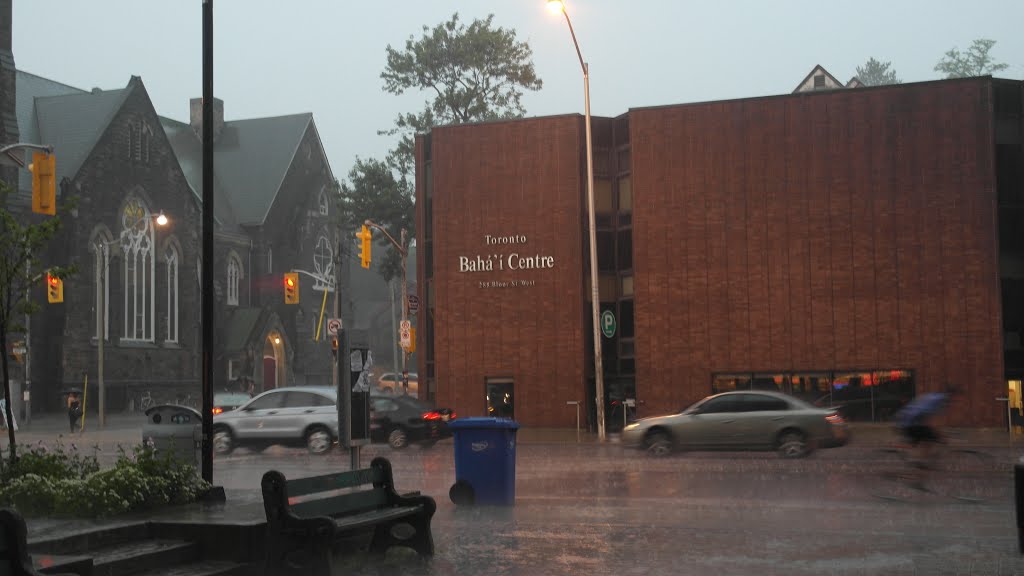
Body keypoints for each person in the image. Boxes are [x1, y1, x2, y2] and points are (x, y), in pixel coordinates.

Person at [895, 385, 958, 485]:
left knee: (928, 442)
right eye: (955, 398)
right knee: (932, 440)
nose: (955, 402)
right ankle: (917, 466)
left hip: (910, 422)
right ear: (951, 395)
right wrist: (941, 435)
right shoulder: (939, 399)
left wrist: (940, 432)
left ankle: (918, 471)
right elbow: (922, 413)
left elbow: (933, 419)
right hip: (910, 423)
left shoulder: (938, 398)